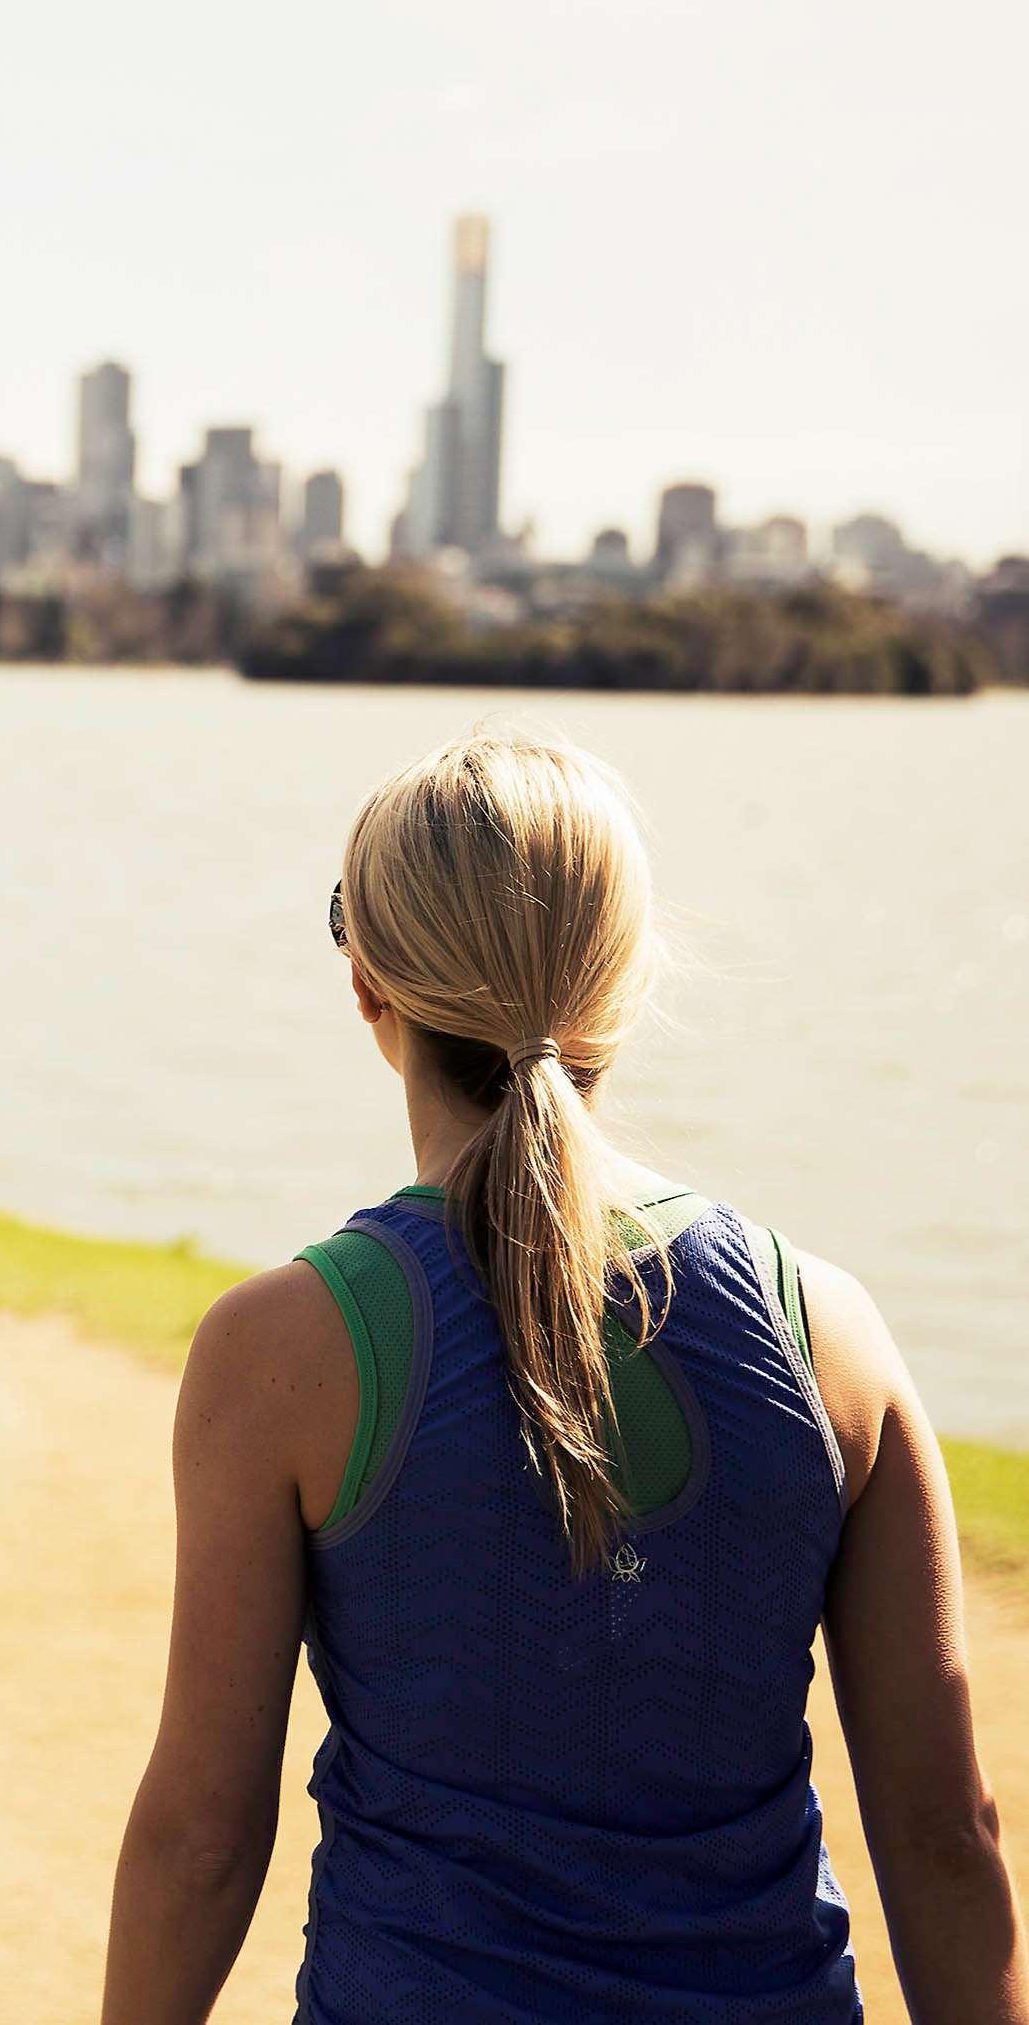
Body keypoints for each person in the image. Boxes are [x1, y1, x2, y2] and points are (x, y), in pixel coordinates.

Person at [103, 731, 1024, 2022]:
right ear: (627, 982)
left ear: (368, 983)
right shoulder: (832, 1331)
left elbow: (201, 1835)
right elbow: (946, 1832)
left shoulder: (278, 1351)